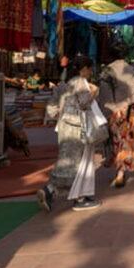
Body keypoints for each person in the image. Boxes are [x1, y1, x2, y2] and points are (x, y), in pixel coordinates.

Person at [37, 55, 101, 212]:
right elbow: (85, 103)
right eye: (89, 68)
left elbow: (51, 110)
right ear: (84, 69)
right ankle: (65, 193)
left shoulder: (63, 85)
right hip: (78, 127)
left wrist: (62, 114)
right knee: (76, 163)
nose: (91, 72)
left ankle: (57, 191)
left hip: (64, 127)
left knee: (68, 160)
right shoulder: (80, 83)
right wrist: (94, 93)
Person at [98, 45, 134, 188]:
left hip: (114, 112)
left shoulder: (107, 71)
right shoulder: (130, 69)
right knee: (127, 142)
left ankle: (119, 171)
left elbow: (104, 95)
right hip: (129, 112)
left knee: (116, 141)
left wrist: (105, 112)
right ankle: (121, 171)